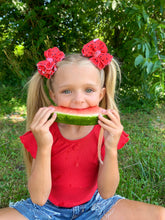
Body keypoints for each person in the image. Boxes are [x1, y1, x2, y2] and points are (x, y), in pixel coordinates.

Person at [0, 39, 164, 220]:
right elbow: (38, 198)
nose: (79, 100)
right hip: (45, 210)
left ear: (101, 94)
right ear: (53, 95)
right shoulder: (42, 132)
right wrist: (44, 145)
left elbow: (107, 192)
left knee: (160, 215)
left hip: (97, 207)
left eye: (88, 90)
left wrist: (110, 147)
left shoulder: (104, 131)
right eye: (67, 91)